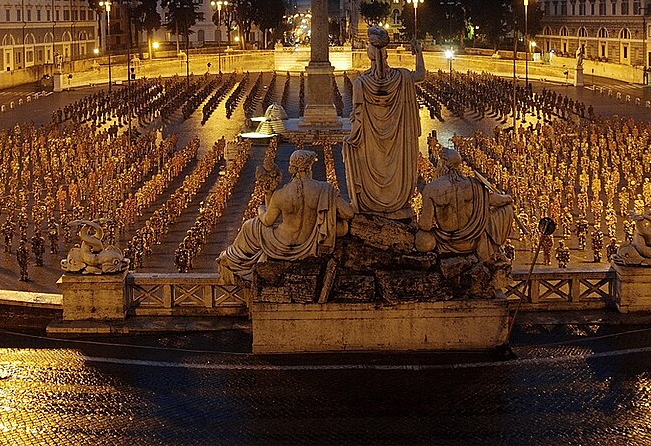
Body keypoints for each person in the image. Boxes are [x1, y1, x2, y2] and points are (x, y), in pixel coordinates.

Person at [217, 149, 354, 284]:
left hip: (282, 242)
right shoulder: (325, 189)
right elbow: (348, 213)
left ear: (292, 168)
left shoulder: (281, 194)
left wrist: (261, 208)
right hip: (310, 241)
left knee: (249, 226)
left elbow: (267, 221)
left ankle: (234, 259)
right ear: (309, 167)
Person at [343, 26, 424, 219]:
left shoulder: (360, 84)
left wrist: (348, 141)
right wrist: (419, 53)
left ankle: (373, 204)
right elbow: (421, 75)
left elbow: (357, 125)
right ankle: (396, 202)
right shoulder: (402, 77)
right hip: (397, 149)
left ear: (368, 52)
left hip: (370, 149)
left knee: (350, 148)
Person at [414, 149, 516, 264]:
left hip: (445, 242)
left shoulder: (431, 188)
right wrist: (508, 198)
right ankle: (486, 251)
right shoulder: (474, 184)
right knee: (507, 209)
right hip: (472, 241)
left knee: (422, 239)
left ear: (442, 163)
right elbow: (493, 200)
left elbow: (425, 225)